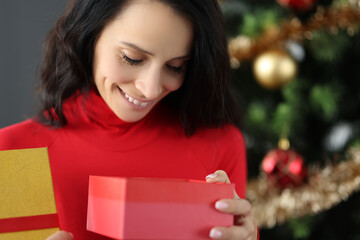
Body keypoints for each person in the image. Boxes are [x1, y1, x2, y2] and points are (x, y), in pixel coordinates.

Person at [0, 0, 258, 239]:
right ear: (89, 36)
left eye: (175, 66)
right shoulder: (16, 150)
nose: (151, 89)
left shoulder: (219, 145)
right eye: (132, 58)